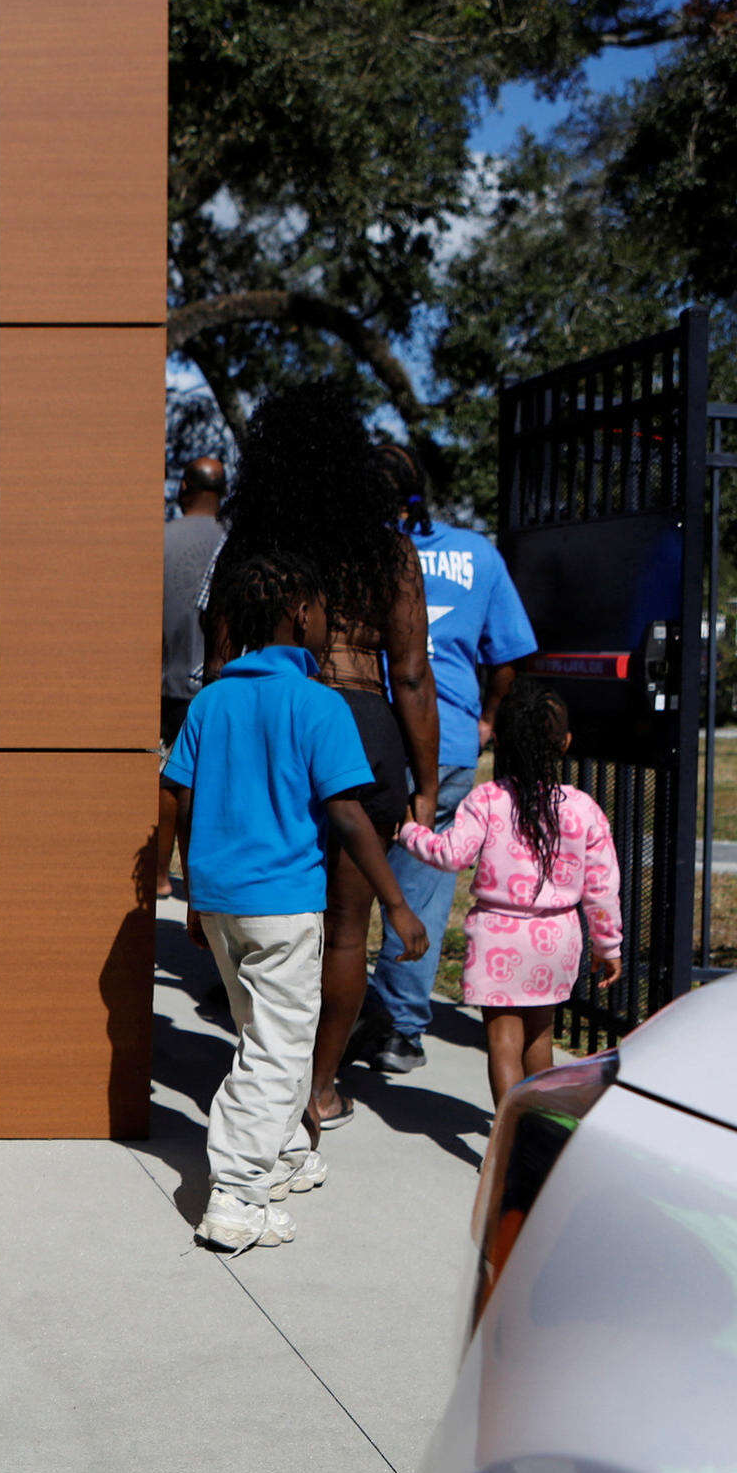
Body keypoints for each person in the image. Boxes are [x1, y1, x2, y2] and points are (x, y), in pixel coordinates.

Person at [161, 547, 427, 1253]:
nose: (328, 625)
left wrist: (191, 897)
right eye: (323, 613)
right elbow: (348, 815)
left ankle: (282, 1156)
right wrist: (397, 904)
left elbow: (182, 800)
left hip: (220, 900)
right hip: (282, 903)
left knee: (263, 1035)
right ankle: (238, 1194)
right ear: (301, 615)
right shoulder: (320, 704)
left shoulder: (212, 700)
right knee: (279, 1050)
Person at [209, 388, 438, 1135]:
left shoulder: (251, 545)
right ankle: (319, 1086)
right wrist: (428, 782)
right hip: (365, 728)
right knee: (345, 930)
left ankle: (266, 1066)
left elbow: (216, 666)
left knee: (267, 909)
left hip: (271, 726)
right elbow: (409, 672)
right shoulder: (388, 550)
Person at [351, 457, 538, 1073]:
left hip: (360, 734)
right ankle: (400, 1030)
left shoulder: (354, 550)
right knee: (423, 889)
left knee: (343, 881)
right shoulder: (477, 555)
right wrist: (485, 718)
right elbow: (509, 654)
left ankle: (337, 1012)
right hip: (449, 741)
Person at [396, 681, 622, 1108]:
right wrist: (608, 944)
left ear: (499, 739)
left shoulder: (487, 799)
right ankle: (541, 1126)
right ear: (566, 743)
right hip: (558, 937)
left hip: (498, 935)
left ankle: (508, 1133)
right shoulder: (583, 808)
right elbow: (602, 886)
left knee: (502, 1041)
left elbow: (451, 853)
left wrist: (410, 832)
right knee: (540, 1036)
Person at [161, 457, 228, 745]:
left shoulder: (160, 539)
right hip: (223, 692)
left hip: (167, 692)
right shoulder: (235, 541)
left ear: (184, 486)